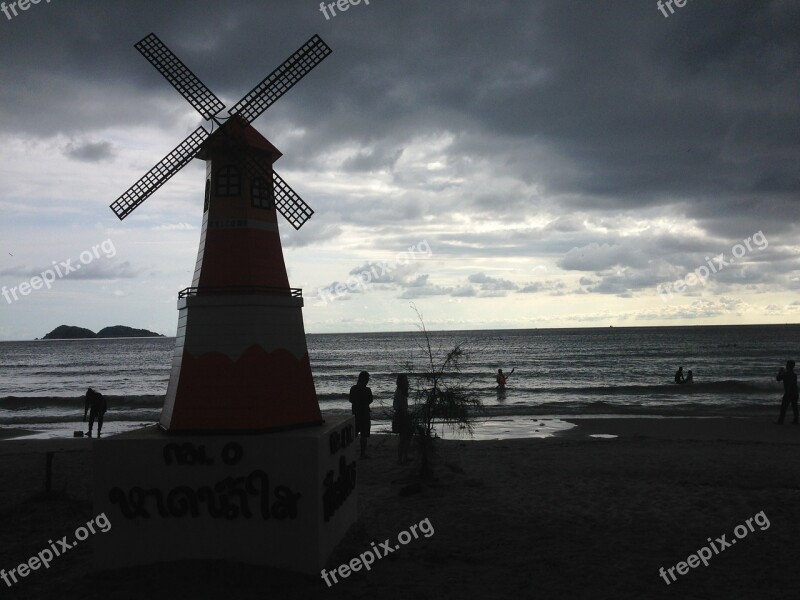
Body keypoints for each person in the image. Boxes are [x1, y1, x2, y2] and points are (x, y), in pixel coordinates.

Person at [349, 371, 373, 458]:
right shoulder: (367, 390)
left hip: (355, 414)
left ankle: (350, 452)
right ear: (365, 380)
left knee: (354, 434)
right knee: (364, 436)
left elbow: (350, 400)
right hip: (365, 414)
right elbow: (371, 400)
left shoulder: (353, 388)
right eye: (367, 379)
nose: (368, 381)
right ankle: (362, 454)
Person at [393, 374, 413, 465]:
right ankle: (401, 459)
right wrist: (407, 416)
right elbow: (401, 407)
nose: (407, 382)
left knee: (405, 438)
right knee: (404, 438)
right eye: (405, 380)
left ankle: (403, 457)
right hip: (401, 416)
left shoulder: (401, 391)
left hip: (401, 415)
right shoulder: (400, 392)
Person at [776, 360, 798, 425]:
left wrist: (780, 372)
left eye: (787, 364)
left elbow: (778, 379)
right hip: (795, 392)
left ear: (788, 366)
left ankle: (780, 421)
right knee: (794, 407)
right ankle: (796, 420)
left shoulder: (786, 374)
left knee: (783, 407)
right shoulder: (794, 375)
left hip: (788, 392)